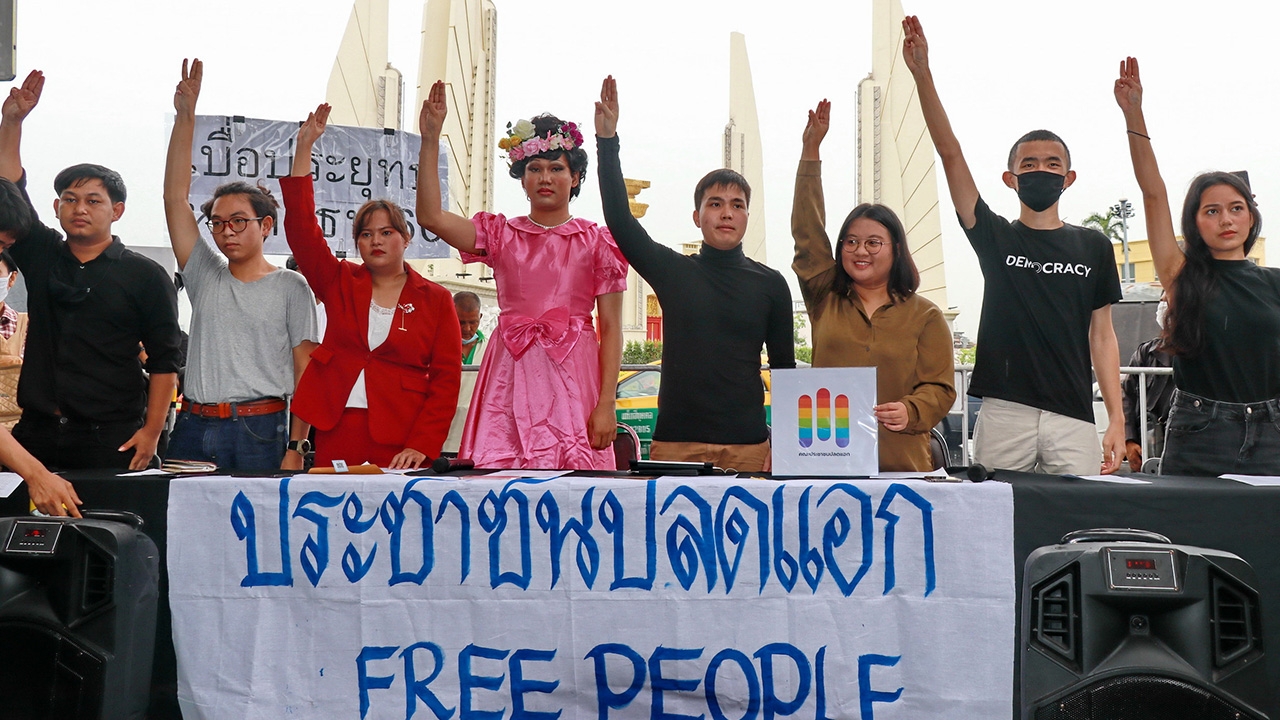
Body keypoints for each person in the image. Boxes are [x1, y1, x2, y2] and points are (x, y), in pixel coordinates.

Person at [901, 17, 1125, 475]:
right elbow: (950, 153)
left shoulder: (1094, 246)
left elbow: (1102, 336)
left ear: (1068, 177)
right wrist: (922, 74)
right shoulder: (995, 236)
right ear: (1011, 177)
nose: (1041, 170)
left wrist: (1118, 418)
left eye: (1052, 164)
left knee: (1080, 513)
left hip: (1073, 414)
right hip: (1004, 411)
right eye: (1029, 163)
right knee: (995, 510)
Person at [416, 81, 625, 470]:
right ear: (523, 178)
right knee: (498, 480)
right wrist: (430, 140)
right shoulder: (500, 234)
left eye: (557, 168)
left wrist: (607, 402)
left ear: (575, 178)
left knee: (578, 485)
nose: (545, 177)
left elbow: (611, 328)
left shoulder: (598, 242)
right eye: (535, 169)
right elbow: (431, 217)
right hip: (507, 375)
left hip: (575, 377)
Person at [595, 77, 794, 472]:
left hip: (748, 447)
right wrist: (607, 141)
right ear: (697, 216)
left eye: (737, 205)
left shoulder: (772, 285)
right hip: (677, 445)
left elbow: (785, 371)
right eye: (715, 203)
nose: (726, 213)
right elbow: (620, 220)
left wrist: (786, 444)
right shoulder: (674, 272)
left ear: (747, 216)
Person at [0, 70, 182, 471]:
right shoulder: (42, 253)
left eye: (93, 201)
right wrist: (12, 122)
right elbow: (8, 187)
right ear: (56, 207)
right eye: (70, 199)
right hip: (37, 433)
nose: (79, 208)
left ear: (117, 210)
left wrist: (152, 432)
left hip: (111, 437)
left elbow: (165, 361)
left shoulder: (146, 276)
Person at [1114, 57, 1279, 475]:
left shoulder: (1274, 283)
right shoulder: (1181, 274)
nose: (1226, 220)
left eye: (1236, 208)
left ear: (1251, 217)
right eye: (1212, 211)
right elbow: (1153, 193)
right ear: (1195, 221)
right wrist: (1134, 114)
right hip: (1201, 431)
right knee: (1190, 519)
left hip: (1272, 430)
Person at [282, 103, 460, 469]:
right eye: (366, 234)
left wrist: (422, 444)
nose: (376, 241)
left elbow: (446, 382)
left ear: (406, 239)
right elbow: (301, 231)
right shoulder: (340, 280)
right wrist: (304, 148)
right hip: (336, 423)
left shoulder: (437, 299)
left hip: (402, 435)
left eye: (386, 232)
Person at [163, 59, 318, 471]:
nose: (226, 231)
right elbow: (175, 199)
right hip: (193, 425)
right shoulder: (205, 274)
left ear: (265, 225)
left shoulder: (292, 286)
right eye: (217, 223)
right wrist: (186, 116)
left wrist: (297, 445)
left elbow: (306, 368)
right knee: (181, 513)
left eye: (238, 221)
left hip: (260, 429)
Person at [791, 100, 955, 471]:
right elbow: (807, 232)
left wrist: (911, 409)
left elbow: (941, 388)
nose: (860, 251)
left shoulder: (926, 316)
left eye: (873, 242)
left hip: (902, 466)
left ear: (896, 249)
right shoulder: (825, 297)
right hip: (828, 462)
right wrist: (811, 150)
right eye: (850, 242)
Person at [1122, 296, 1173, 472]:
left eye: (1169, 299)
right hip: (1146, 450)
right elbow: (1126, 397)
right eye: (1161, 299)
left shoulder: (1206, 355)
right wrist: (1128, 440)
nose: (1163, 304)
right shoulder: (1146, 353)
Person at [443, 290, 485, 455]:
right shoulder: (438, 347)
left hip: (476, 438)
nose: (467, 329)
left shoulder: (491, 349)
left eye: (473, 322)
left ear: (480, 318)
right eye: (461, 322)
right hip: (444, 435)